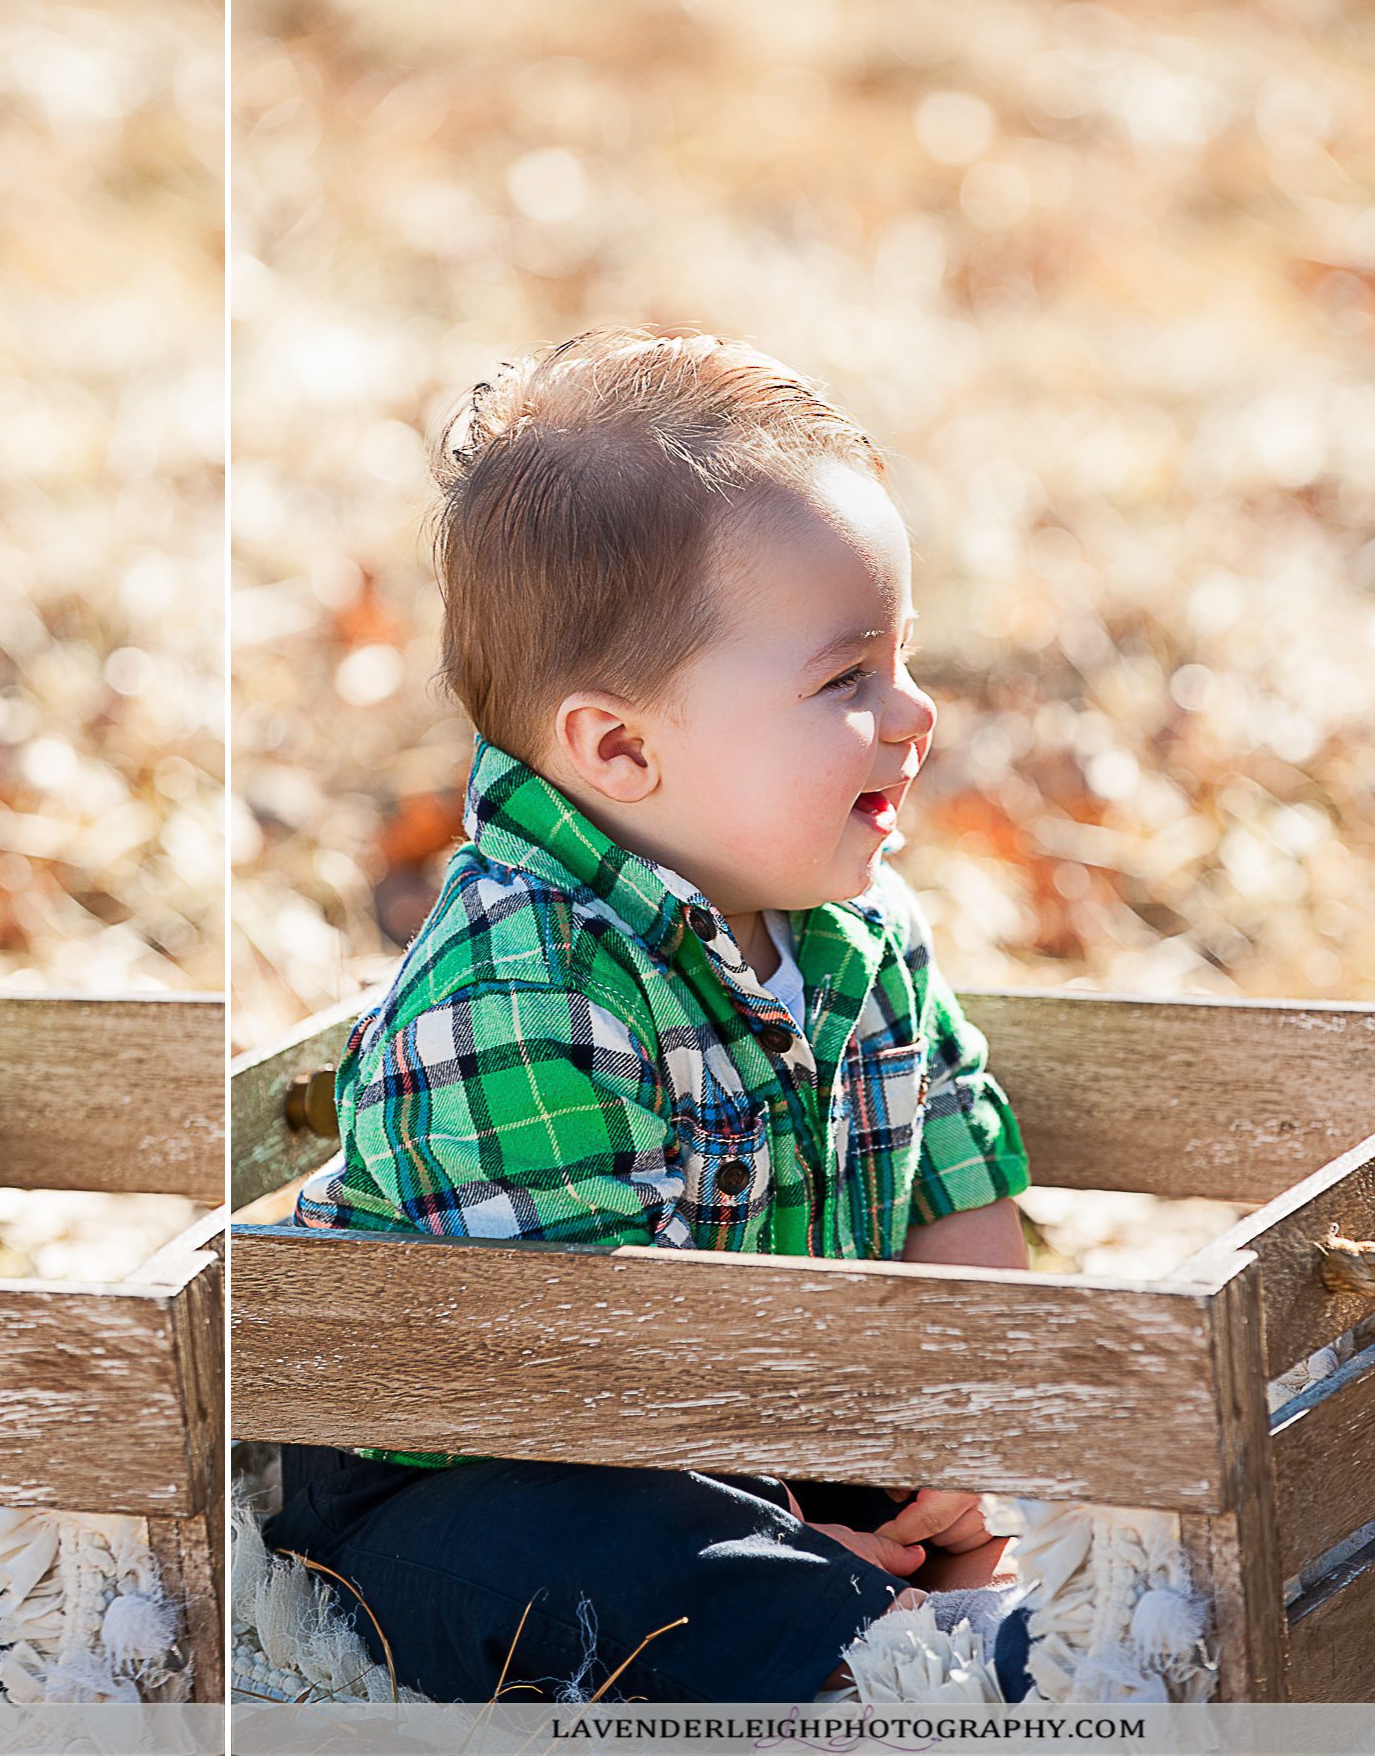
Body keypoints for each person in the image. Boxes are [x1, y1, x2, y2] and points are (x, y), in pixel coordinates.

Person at [269, 329, 1036, 1704]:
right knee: (585, 1563)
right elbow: (583, 1376)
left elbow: (956, 1171)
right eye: (844, 678)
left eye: (902, 656)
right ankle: (871, 1643)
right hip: (498, 1468)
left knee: (940, 1508)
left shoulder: (864, 938)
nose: (913, 712)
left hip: (783, 1408)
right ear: (622, 749)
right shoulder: (523, 989)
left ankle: (925, 1616)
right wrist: (785, 1519)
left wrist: (957, 1431)